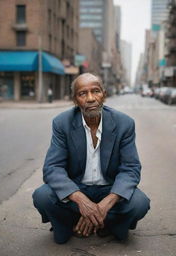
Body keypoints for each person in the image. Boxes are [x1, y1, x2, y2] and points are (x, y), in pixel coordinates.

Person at [32, 73, 150, 244]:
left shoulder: (124, 123)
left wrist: (105, 204)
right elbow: (53, 168)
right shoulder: (62, 123)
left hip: (109, 189)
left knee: (140, 203)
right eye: (82, 94)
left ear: (104, 95)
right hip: (77, 188)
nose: (90, 98)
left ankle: (102, 223)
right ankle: (73, 223)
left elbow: (130, 168)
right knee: (42, 196)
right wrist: (80, 200)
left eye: (95, 91)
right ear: (75, 100)